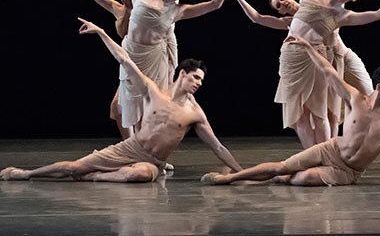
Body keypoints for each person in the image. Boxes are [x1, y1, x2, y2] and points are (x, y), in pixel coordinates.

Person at [0, 19, 242, 183]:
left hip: (152, 162)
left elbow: (217, 147)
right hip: (130, 148)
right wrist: (102, 32)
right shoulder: (154, 91)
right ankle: (24, 174)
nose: (199, 83)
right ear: (183, 73)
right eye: (196, 77)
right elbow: (126, 60)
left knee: (139, 176)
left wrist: (244, 173)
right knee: (73, 167)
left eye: (202, 80)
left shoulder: (195, 113)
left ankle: (96, 177)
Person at [201, 36, 380, 187]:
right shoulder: (355, 98)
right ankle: (228, 179)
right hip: (330, 148)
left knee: (300, 179)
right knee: (281, 166)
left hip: (346, 171)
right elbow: (328, 73)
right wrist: (308, 48)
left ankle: (278, 178)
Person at [116, 0, 232, 130]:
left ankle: (152, 150)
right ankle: (133, 149)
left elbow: (214, 4)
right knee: (130, 103)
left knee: (154, 103)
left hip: (157, 53)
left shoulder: (179, 10)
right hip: (134, 51)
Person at [82, 0, 134, 138]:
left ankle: (147, 153)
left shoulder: (142, 0)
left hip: (146, 58)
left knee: (142, 109)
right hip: (127, 60)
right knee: (117, 109)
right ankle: (135, 149)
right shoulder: (115, 7)